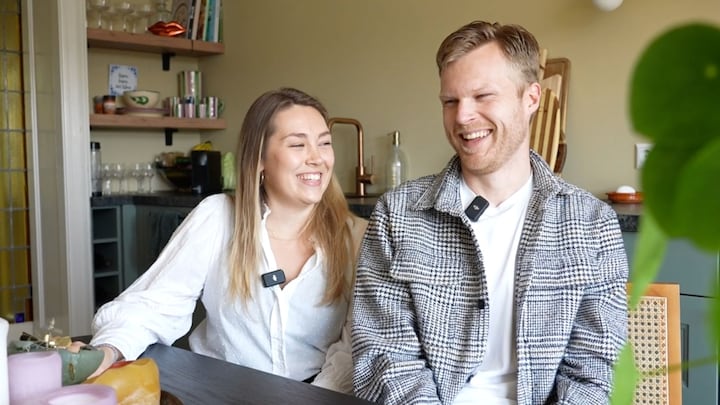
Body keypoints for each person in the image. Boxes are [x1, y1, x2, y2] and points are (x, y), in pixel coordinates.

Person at [352, 21, 629, 405]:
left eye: (482, 96)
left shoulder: (591, 224)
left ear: (531, 98)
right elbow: (384, 358)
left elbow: (594, 371)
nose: (462, 116)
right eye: (450, 101)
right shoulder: (397, 215)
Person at [73, 87, 367, 394]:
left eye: (324, 143)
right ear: (260, 157)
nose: (317, 158)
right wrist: (107, 351)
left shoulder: (356, 238)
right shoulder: (216, 217)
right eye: (298, 144)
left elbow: (354, 349)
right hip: (220, 392)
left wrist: (307, 400)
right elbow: (154, 305)